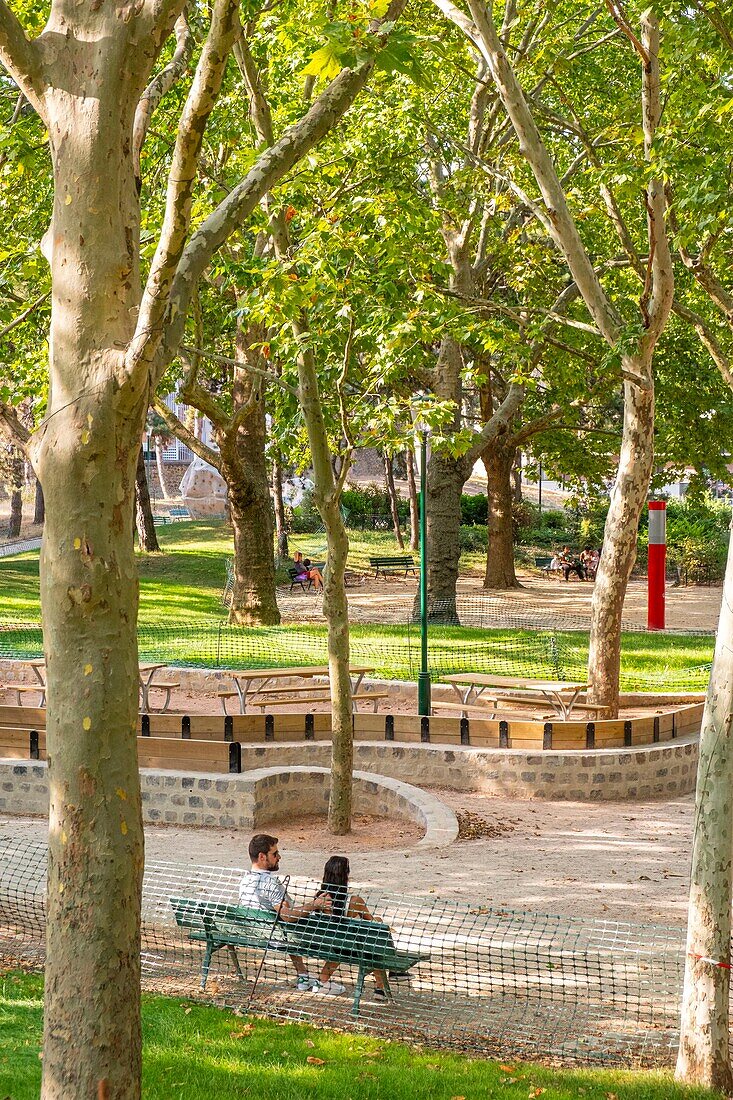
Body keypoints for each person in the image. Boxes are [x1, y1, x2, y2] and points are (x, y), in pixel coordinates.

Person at [238, 834, 332, 991]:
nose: (279, 857)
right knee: (340, 936)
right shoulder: (269, 882)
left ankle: (303, 975)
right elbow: (287, 916)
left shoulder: (245, 880)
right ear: (262, 857)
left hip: (256, 932)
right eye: (274, 854)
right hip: (277, 936)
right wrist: (314, 905)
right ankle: (323, 981)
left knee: (286, 928)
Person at [310, 855, 391, 999]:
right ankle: (380, 988)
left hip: (328, 945)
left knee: (341, 942)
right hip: (352, 948)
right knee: (375, 936)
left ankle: (321, 981)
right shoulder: (354, 902)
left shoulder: (318, 899)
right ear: (345, 876)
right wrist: (379, 920)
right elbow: (372, 923)